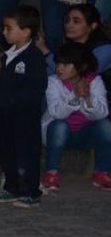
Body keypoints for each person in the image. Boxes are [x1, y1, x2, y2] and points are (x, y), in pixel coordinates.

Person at [0, 5, 48, 208]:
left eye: (9, 28)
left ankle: (31, 191)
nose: (4, 32)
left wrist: (15, 101)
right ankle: (12, 187)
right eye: (4, 28)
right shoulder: (7, 55)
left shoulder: (34, 57)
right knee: (7, 151)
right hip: (7, 114)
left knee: (28, 153)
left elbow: (36, 87)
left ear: (26, 31)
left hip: (26, 116)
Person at [41, 43, 110, 193]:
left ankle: (102, 172)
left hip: (83, 136)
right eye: (58, 63)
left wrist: (88, 98)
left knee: (105, 125)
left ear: (82, 66)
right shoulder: (53, 82)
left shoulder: (95, 81)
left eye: (65, 64)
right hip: (57, 136)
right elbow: (56, 113)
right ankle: (51, 173)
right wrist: (75, 96)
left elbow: (103, 113)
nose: (59, 68)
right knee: (59, 125)